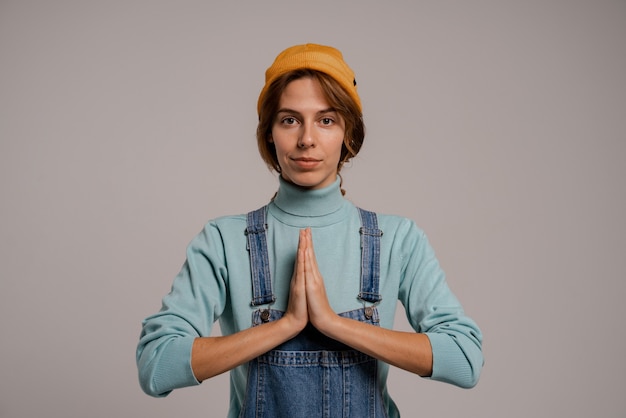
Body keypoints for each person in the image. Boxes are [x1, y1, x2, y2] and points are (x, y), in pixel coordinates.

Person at [137, 43, 483, 418]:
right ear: (269, 133)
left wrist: (332, 324)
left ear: (348, 132)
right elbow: (156, 366)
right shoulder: (224, 241)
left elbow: (464, 360)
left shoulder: (396, 238)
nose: (306, 139)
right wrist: (284, 326)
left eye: (326, 120)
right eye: (289, 120)